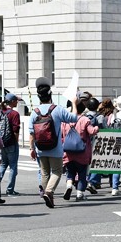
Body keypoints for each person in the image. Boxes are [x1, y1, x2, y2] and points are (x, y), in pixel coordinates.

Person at [29, 76, 78, 208]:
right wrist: (74, 103)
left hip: (40, 148)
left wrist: (31, 149)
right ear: (50, 94)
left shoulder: (35, 112)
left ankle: (47, 195)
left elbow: (31, 133)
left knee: (44, 172)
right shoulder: (57, 109)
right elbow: (74, 118)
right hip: (55, 148)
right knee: (57, 171)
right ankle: (49, 192)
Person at [62, 99, 99, 201]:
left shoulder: (66, 120)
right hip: (82, 152)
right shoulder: (85, 120)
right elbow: (91, 131)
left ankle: (69, 186)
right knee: (82, 174)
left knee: (70, 173)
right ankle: (80, 194)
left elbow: (61, 135)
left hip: (68, 152)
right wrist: (96, 128)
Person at [0, 93, 21, 196]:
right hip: (11, 142)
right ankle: (10, 189)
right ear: (12, 102)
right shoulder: (14, 114)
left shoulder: (0, 112)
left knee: (3, 164)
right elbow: (16, 130)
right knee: (13, 166)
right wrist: (16, 141)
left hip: (2, 142)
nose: (17, 102)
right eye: (16, 100)